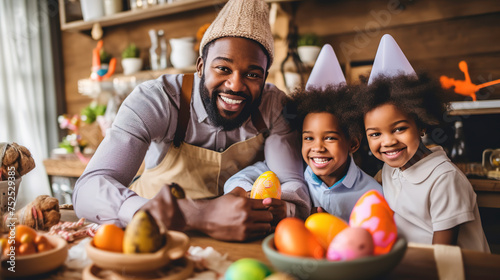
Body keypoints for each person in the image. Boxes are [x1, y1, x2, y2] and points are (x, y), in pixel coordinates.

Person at [72, 0, 310, 241]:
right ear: (201, 67)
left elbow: (291, 180)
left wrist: (287, 208)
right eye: (223, 69)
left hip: (240, 244)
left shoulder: (274, 107)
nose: (236, 85)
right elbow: (88, 188)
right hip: (155, 236)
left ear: (265, 77)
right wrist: (195, 215)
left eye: (252, 74)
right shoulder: (158, 99)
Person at [355, 34, 489, 252]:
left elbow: (442, 256)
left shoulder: (444, 179)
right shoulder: (389, 170)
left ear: (422, 124)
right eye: (375, 134)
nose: (388, 141)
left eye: (399, 129)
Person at [225, 45, 382, 222]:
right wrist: (250, 193)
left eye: (329, 138)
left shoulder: (372, 193)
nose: (317, 147)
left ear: (352, 143)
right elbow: (238, 178)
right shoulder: (290, 169)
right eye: (309, 138)